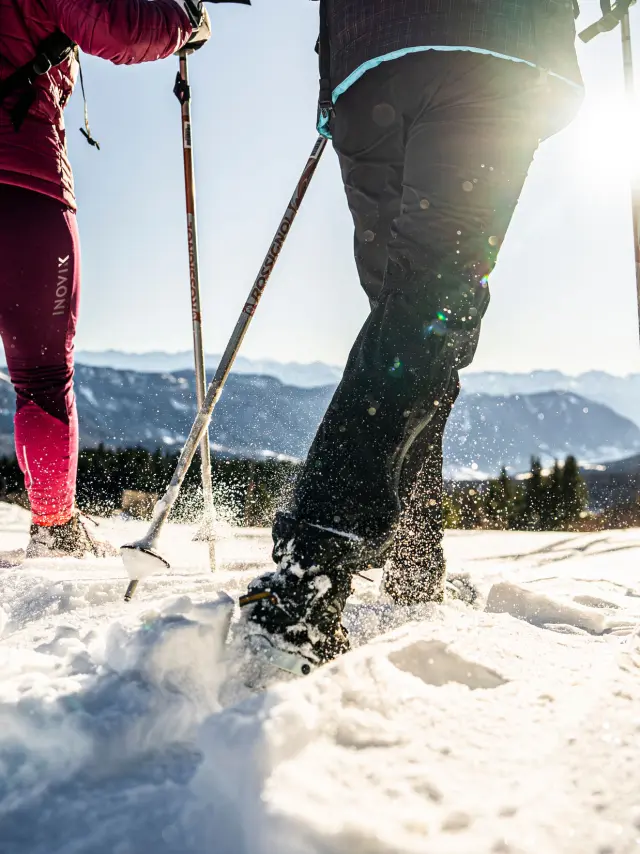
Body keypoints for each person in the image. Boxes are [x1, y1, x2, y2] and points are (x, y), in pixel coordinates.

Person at [240, 0, 585, 667]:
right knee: (432, 303)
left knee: (406, 316)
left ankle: (413, 557)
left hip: (365, 65)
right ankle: (315, 558)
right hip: (488, 44)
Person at [0, 0, 210, 558]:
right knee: (42, 375)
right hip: (21, 187)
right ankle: (54, 528)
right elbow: (114, 26)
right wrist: (185, 21)